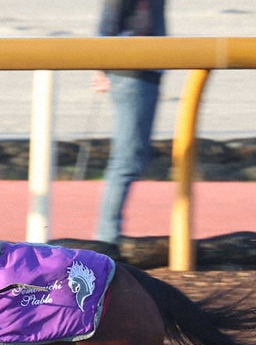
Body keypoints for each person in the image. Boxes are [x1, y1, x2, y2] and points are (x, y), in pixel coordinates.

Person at [93, 0, 167, 244]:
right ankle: (107, 239)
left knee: (132, 159)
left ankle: (108, 236)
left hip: (141, 73)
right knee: (127, 161)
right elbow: (110, 20)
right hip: (133, 73)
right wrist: (101, 66)